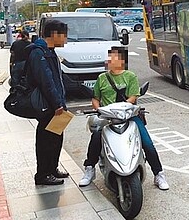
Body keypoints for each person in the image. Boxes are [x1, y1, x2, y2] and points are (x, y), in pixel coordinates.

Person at [79, 46, 169, 190]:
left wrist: (122, 109)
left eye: (114, 57)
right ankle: (89, 169)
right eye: (110, 57)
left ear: (122, 60)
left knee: (147, 143)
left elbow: (133, 97)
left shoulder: (130, 76)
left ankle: (159, 174)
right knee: (96, 138)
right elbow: (95, 98)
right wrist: (99, 109)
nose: (111, 60)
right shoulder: (102, 78)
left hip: (129, 116)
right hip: (107, 118)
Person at [26, 19, 69, 186]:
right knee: (45, 140)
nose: (65, 40)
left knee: (56, 137)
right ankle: (43, 174)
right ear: (55, 34)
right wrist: (57, 103)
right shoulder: (38, 52)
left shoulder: (49, 51)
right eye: (64, 36)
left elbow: (57, 79)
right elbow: (46, 81)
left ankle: (52, 168)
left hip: (56, 104)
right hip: (48, 105)